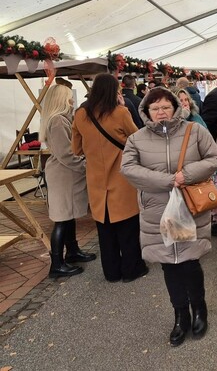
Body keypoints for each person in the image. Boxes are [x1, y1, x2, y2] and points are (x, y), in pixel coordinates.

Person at [121, 87, 217, 347]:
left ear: (175, 107)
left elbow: (214, 157)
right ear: (147, 112)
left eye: (165, 106)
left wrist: (185, 176)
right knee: (168, 264)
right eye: (155, 108)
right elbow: (128, 168)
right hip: (157, 211)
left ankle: (199, 308)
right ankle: (180, 315)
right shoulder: (137, 138)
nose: (161, 112)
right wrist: (168, 180)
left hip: (189, 207)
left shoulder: (194, 131)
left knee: (189, 261)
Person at [72, 73, 148, 282]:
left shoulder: (80, 114)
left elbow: (76, 149)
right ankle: (132, 269)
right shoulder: (120, 112)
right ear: (114, 91)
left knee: (105, 230)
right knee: (128, 228)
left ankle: (112, 272)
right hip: (122, 178)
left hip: (96, 179)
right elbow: (137, 140)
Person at [40, 84, 96, 278]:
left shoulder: (59, 119)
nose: (72, 101)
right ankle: (57, 263)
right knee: (62, 219)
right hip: (64, 175)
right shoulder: (58, 121)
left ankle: (72, 252)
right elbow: (66, 154)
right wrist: (85, 166)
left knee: (68, 216)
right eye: (68, 97)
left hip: (66, 174)